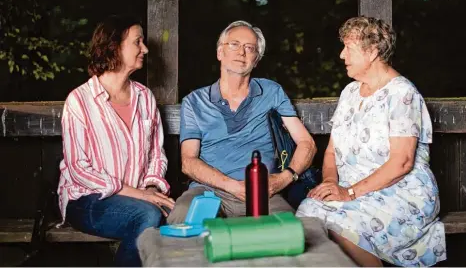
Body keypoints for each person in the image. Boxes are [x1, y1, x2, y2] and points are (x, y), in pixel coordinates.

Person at [296, 16, 446, 267]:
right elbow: (332, 151)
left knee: (342, 225)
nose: (342, 55)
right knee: (307, 214)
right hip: (351, 188)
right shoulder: (350, 92)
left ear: (374, 51)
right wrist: (331, 181)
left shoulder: (401, 94)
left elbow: (402, 162)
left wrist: (350, 192)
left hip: (399, 192)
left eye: (349, 48)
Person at [167, 20, 316, 223]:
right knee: (184, 222)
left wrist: (283, 179)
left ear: (256, 60)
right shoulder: (195, 101)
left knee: (287, 231)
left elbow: (307, 143)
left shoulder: (271, 92)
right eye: (234, 44)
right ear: (220, 53)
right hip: (209, 191)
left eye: (249, 48)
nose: (241, 52)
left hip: (262, 192)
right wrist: (231, 186)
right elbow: (189, 162)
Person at [57, 15, 175, 267]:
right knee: (148, 215)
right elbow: (78, 169)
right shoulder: (79, 101)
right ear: (114, 47)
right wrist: (139, 196)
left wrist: (152, 190)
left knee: (173, 215)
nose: (145, 49)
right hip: (87, 199)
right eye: (138, 42)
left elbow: (157, 154)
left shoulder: (145, 98)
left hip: (137, 199)